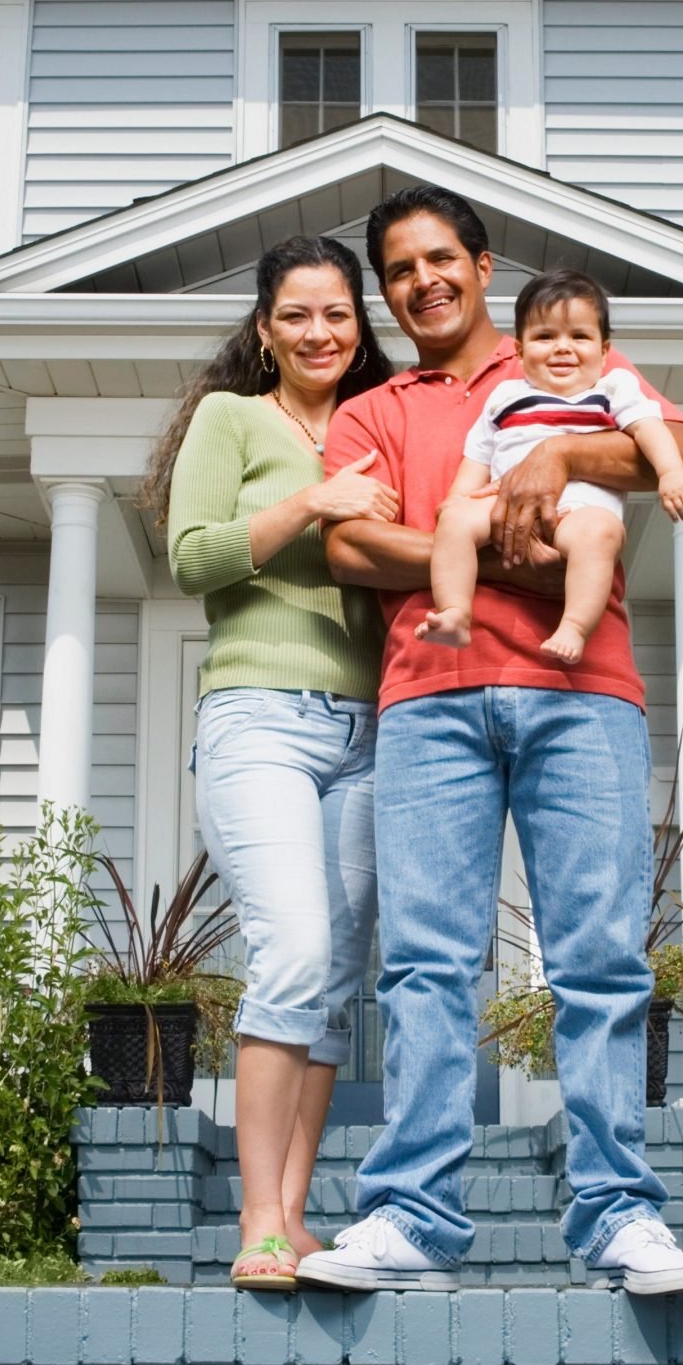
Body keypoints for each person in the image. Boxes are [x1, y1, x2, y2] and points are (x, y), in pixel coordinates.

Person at [296, 185, 683, 1296]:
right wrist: (484, 549)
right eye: (397, 269)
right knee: (425, 963)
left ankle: (619, 1216)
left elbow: (682, 448)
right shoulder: (375, 410)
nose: (420, 280)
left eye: (440, 258)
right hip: (429, 696)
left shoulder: (556, 358)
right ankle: (411, 1218)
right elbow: (348, 549)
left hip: (583, 690)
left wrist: (559, 463)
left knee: (598, 960)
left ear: (482, 267)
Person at [146, 235, 398, 1291]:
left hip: (368, 728)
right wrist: (313, 502)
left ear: (358, 323)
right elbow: (191, 553)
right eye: (296, 315)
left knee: (333, 979)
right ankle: (254, 1222)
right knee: (291, 946)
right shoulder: (231, 418)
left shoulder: (376, 425)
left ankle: (296, 1220)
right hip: (258, 716)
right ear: (265, 328)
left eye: (337, 314)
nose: (318, 332)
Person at [418, 268, 683, 664]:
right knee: (455, 521)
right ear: (519, 350)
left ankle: (575, 625)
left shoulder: (611, 390)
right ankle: (455, 613)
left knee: (602, 533)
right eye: (545, 336)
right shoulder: (504, 396)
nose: (562, 348)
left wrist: (670, 473)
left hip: (579, 514)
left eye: (579, 336)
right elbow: (477, 454)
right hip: (505, 510)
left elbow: (650, 429)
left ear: (604, 352)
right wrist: (456, 500)